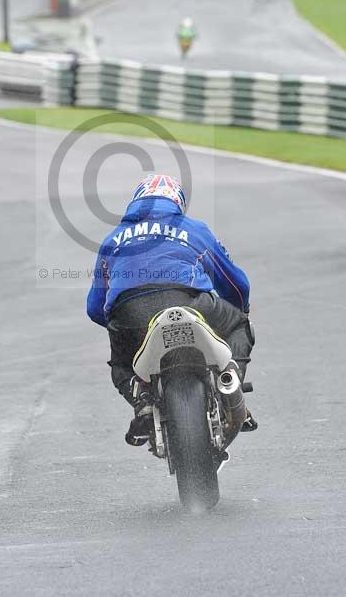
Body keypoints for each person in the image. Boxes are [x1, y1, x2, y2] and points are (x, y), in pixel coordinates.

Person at [86, 174, 257, 446]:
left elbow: (95, 308)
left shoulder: (112, 240)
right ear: (177, 202)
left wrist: (122, 324)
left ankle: (141, 400)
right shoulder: (194, 229)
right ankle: (230, 380)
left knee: (120, 363)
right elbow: (236, 285)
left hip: (131, 312)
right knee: (239, 324)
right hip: (189, 302)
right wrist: (239, 312)